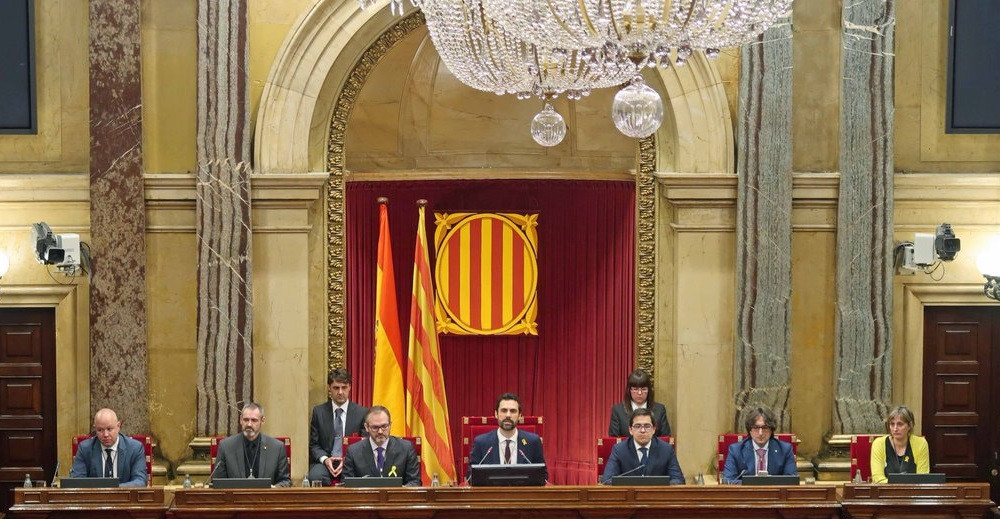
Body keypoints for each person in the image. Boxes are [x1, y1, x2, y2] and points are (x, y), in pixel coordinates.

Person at [468, 392, 547, 482]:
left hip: (523, 495)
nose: (508, 415)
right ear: (496, 414)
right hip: (492, 494)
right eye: (504, 410)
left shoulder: (533, 442)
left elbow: (543, 476)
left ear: (520, 415)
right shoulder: (481, 443)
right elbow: (471, 476)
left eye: (513, 411)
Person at [308, 368, 368, 485]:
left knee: (355, 479)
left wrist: (347, 460)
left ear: (350, 387)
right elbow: (314, 445)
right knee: (315, 477)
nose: (340, 392)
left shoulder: (362, 413)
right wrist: (325, 460)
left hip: (351, 462)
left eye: (344, 387)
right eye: (336, 388)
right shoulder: (319, 412)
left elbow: (364, 444)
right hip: (325, 462)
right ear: (329, 388)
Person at [213, 402, 291, 487]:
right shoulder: (226, 446)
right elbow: (217, 482)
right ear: (240, 420)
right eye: (246, 420)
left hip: (265, 499)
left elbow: (285, 481)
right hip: (235, 499)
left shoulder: (277, 448)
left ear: (262, 421)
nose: (249, 424)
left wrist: (273, 489)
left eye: (254, 420)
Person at [602, 408, 684, 484]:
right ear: (630, 430)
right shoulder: (619, 450)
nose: (642, 430)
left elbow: (678, 480)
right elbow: (607, 480)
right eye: (637, 426)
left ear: (654, 429)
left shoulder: (666, 449)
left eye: (647, 426)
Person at [342, 405, 420, 486]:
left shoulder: (406, 448)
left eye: (384, 426)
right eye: (375, 427)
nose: (380, 431)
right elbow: (346, 485)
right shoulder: (353, 451)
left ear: (390, 425)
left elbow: (415, 482)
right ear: (366, 427)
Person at [70, 408, 147, 487]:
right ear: (95, 428)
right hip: (95, 498)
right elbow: (76, 480)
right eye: (100, 430)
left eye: (109, 429)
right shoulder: (85, 449)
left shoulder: (135, 448)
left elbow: (140, 481)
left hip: (124, 497)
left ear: (118, 426)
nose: (105, 434)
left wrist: (114, 490)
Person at [722, 406, 797, 483]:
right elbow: (728, 481)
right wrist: (755, 483)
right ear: (750, 430)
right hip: (746, 494)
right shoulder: (736, 450)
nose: (760, 433)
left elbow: (792, 481)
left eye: (765, 428)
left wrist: (765, 484)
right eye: (756, 428)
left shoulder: (785, 450)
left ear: (771, 430)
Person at [870, 405, 930, 483]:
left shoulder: (920, 443)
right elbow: (877, 478)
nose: (895, 429)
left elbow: (923, 478)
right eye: (892, 424)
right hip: (885, 492)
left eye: (900, 424)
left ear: (910, 426)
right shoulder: (878, 444)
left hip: (912, 492)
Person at [608, 369, 671, 437]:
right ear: (629, 390)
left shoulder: (660, 409)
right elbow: (613, 440)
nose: (639, 393)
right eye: (635, 389)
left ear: (649, 390)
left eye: (644, 389)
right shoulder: (618, 410)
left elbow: (665, 439)